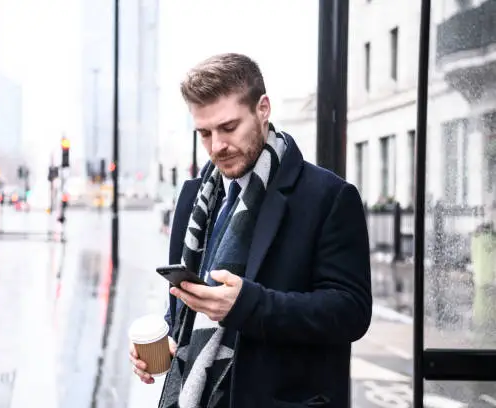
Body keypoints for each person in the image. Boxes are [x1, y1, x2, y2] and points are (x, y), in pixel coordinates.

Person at [130, 53, 372, 408]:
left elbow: (351, 313)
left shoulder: (329, 197)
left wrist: (248, 305)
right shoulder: (193, 199)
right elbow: (185, 310)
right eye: (204, 133)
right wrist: (171, 340)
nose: (216, 146)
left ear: (263, 109)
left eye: (228, 128)